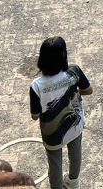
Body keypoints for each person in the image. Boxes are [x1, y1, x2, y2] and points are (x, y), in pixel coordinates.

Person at [29, 37, 92, 189]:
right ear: (63, 55)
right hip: (75, 123)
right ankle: (73, 182)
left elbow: (35, 116)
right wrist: (74, 93)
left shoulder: (36, 86)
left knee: (55, 162)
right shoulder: (74, 71)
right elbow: (88, 90)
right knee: (75, 153)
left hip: (52, 132)